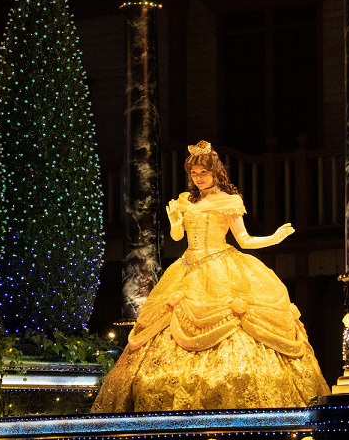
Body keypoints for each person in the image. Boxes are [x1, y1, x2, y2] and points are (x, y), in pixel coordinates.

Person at [92, 141, 330, 412]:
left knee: (236, 322)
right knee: (169, 322)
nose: (198, 177)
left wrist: (273, 238)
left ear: (216, 172)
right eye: (194, 173)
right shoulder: (185, 200)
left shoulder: (229, 201)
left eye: (203, 172)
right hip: (188, 269)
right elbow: (177, 237)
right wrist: (173, 220)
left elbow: (244, 239)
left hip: (221, 266)